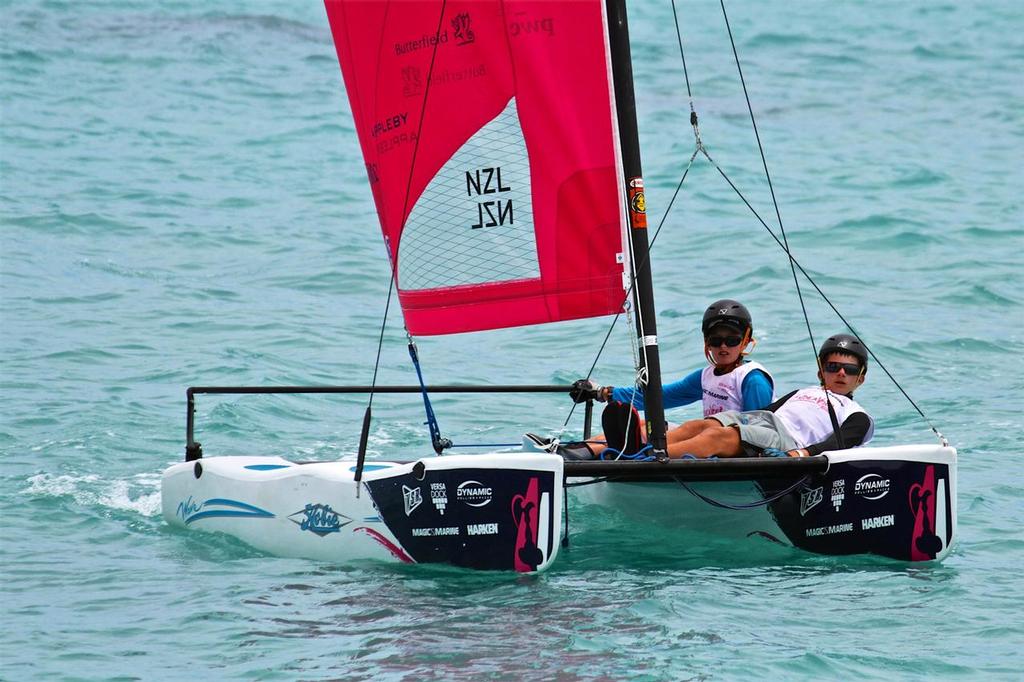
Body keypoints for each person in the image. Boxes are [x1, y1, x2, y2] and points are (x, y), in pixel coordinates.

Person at [557, 299, 774, 459]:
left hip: (730, 449)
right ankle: (577, 452)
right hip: (705, 436)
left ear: (745, 341)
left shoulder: (752, 379)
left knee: (696, 431)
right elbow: (656, 397)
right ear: (707, 341)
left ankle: (641, 455)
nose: (723, 346)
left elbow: (758, 433)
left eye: (732, 340)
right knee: (644, 425)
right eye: (716, 340)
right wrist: (604, 392)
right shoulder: (704, 376)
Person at [660, 333, 874, 459]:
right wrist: (735, 421)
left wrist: (798, 455)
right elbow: (766, 412)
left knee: (718, 437)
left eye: (850, 370)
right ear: (821, 372)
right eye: (833, 366)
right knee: (701, 425)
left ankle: (656, 459)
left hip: (788, 440)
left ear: (860, 379)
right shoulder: (803, 392)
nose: (841, 373)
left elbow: (838, 443)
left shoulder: (856, 415)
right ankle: (645, 449)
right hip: (765, 420)